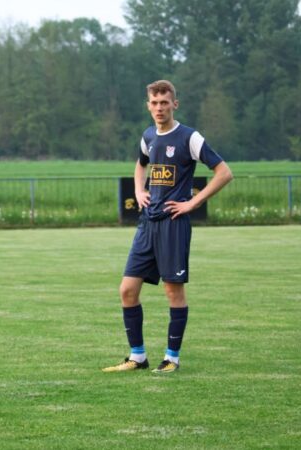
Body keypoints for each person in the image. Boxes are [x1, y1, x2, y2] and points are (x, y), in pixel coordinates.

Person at [102, 80, 232, 374]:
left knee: (173, 293)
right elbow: (141, 164)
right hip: (147, 223)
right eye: (154, 103)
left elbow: (224, 172)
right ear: (148, 105)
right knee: (127, 290)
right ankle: (138, 357)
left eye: (164, 102)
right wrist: (139, 190)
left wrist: (192, 203)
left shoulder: (189, 137)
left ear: (175, 104)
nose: (159, 108)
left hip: (174, 225)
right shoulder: (148, 135)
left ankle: (172, 358)